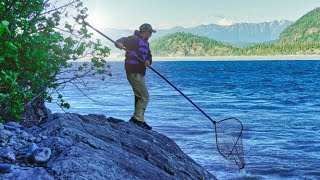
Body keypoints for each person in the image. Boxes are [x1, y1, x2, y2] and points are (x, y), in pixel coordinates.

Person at [115, 23, 156, 130]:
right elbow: (121, 40)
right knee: (144, 97)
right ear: (146, 31)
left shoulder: (145, 43)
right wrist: (118, 44)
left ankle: (140, 119)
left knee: (139, 96)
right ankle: (136, 120)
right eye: (150, 32)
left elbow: (149, 56)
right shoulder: (133, 39)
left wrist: (148, 61)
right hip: (133, 72)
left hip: (140, 73)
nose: (151, 35)